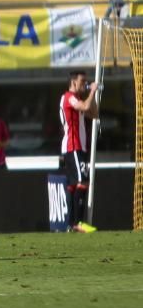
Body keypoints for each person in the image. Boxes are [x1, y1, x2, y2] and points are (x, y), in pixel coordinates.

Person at [59, 71, 99, 233]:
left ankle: (71, 224)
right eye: (82, 81)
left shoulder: (78, 99)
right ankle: (78, 222)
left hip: (77, 146)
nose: (84, 84)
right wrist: (93, 91)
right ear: (73, 82)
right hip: (73, 146)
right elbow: (85, 106)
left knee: (73, 185)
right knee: (83, 181)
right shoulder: (70, 97)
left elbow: (94, 113)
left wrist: (92, 95)